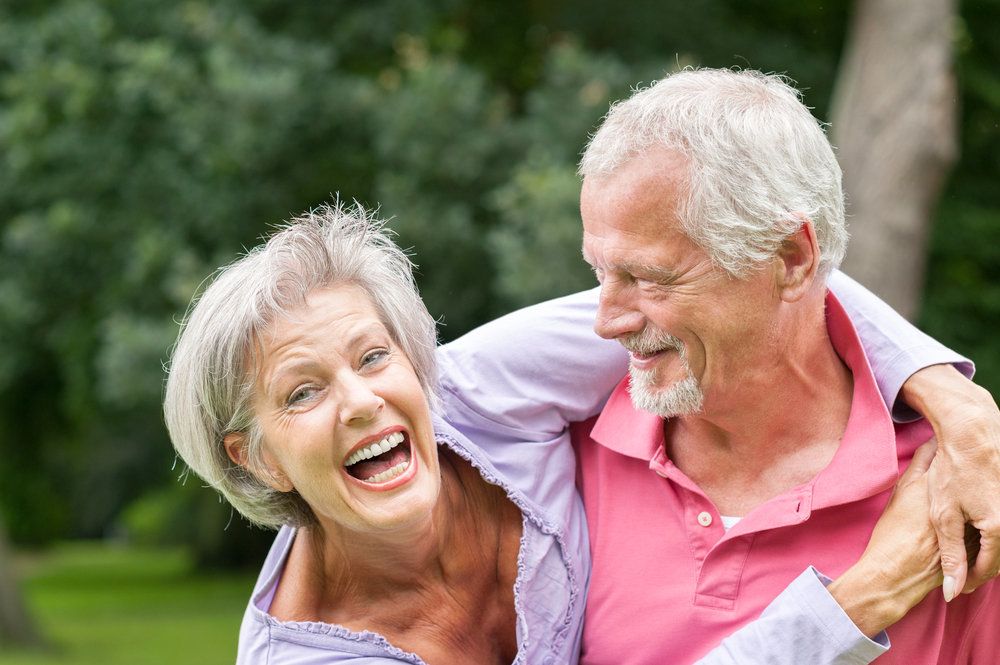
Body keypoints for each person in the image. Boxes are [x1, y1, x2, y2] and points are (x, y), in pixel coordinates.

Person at [167, 202, 984, 665]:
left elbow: (753, 287)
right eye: (303, 392)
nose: (359, 401)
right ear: (258, 455)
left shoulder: (480, 389)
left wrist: (960, 410)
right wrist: (861, 596)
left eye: (374, 355)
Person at [546, 68, 998, 663]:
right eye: (600, 273)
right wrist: (857, 604)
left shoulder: (962, 495)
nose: (605, 322)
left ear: (790, 259)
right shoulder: (554, 458)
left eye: (648, 278)